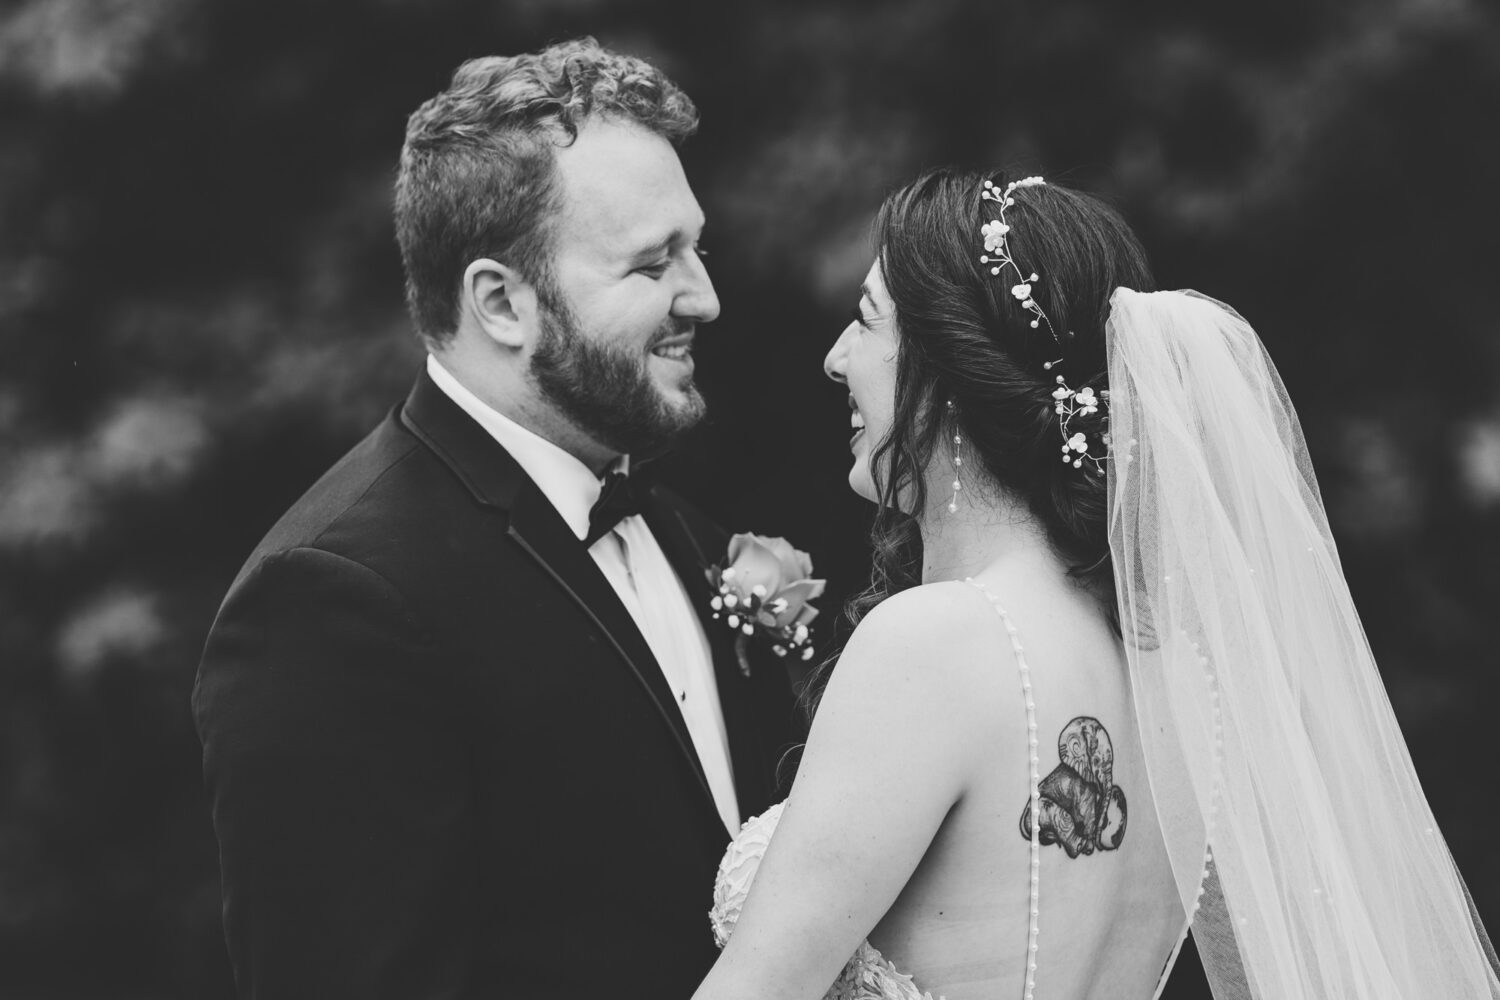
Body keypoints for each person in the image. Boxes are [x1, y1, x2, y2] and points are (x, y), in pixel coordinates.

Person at [696, 169, 1500, 999]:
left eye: (865, 321)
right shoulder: (1180, 676)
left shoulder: (935, 643)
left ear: (950, 369)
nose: (835, 360)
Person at [192, 39, 800, 999]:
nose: (706, 296)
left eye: (698, 246)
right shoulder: (333, 599)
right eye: (653, 264)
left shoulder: (680, 530)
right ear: (501, 303)